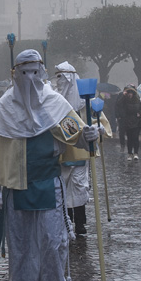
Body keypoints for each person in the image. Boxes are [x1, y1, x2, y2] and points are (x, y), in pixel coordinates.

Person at [0, 49, 99, 281]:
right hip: (16, 190)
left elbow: (77, 137)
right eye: (24, 72)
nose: (30, 78)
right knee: (23, 250)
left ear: (42, 72)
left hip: (50, 189)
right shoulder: (4, 109)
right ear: (15, 74)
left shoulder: (54, 105)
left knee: (54, 246)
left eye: (35, 71)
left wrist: (89, 136)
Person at [52, 61, 111, 235]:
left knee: (78, 187)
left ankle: (80, 223)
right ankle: (65, 220)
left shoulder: (87, 100)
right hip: (62, 152)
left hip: (82, 152)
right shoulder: (54, 101)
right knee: (62, 187)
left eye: (62, 77)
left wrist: (98, 129)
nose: (59, 81)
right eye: (57, 77)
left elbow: (101, 121)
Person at [115, 85, 141, 161]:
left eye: (131, 92)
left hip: (136, 122)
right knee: (129, 138)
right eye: (128, 92)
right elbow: (118, 104)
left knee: (135, 138)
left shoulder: (137, 100)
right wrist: (123, 96)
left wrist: (140, 113)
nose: (130, 94)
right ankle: (130, 153)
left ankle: (136, 153)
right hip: (127, 121)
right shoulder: (124, 100)